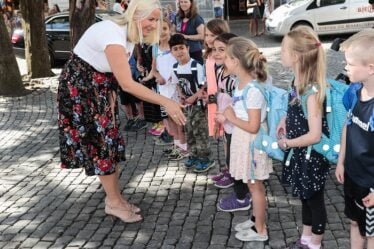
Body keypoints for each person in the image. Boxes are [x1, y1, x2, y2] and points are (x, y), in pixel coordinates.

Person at [57, 0, 185, 224]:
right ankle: (113, 202)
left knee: (110, 141)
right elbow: (128, 83)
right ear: (136, 16)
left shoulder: (127, 34)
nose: (154, 25)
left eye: (158, 20)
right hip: (81, 89)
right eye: (151, 19)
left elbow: (114, 75)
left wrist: (111, 96)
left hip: (99, 85)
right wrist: (168, 102)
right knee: (102, 144)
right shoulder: (113, 32)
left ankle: (115, 198)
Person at [277, 26, 329, 249]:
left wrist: (288, 143)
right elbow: (293, 110)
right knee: (305, 197)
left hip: (311, 155)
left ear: (296, 56)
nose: (280, 54)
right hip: (300, 154)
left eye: (283, 50)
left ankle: (315, 244)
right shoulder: (296, 83)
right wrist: (283, 121)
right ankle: (306, 239)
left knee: (314, 200)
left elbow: (315, 135)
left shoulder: (312, 92)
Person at [216, 37, 272, 241]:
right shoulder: (241, 85)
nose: (223, 61)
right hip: (243, 140)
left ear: (236, 61)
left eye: (227, 58)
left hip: (251, 144)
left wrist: (231, 117)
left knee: (255, 187)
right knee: (251, 185)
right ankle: (256, 219)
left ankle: (260, 230)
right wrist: (228, 115)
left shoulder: (253, 89)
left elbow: (254, 125)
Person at [335, 29, 374, 249]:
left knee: (371, 234)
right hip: (353, 175)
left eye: (350, 63)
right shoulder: (353, 92)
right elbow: (347, 126)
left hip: (371, 183)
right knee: (354, 222)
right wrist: (341, 161)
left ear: (370, 68)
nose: (345, 67)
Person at [212, 33, 252, 213]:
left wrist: (227, 116)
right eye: (215, 50)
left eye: (223, 51)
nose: (217, 54)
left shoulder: (237, 78)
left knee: (237, 160)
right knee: (231, 158)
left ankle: (242, 196)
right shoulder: (220, 70)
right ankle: (241, 189)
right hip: (227, 123)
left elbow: (239, 104)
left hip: (238, 125)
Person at [170, 34, 215, 172]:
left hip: (198, 105)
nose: (179, 51)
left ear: (188, 48)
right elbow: (177, 84)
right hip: (186, 106)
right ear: (172, 52)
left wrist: (193, 97)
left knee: (199, 131)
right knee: (188, 131)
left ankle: (205, 158)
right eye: (175, 49)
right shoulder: (175, 67)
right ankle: (194, 155)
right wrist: (182, 95)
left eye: (182, 48)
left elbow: (204, 86)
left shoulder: (196, 66)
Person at [172, 0, 205, 64]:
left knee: (196, 72)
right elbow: (172, 30)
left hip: (194, 51)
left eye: (185, 2)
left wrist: (186, 37)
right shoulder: (177, 17)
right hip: (180, 52)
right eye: (181, 2)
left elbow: (202, 36)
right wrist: (174, 34)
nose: (183, 4)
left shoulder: (197, 18)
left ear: (191, 3)